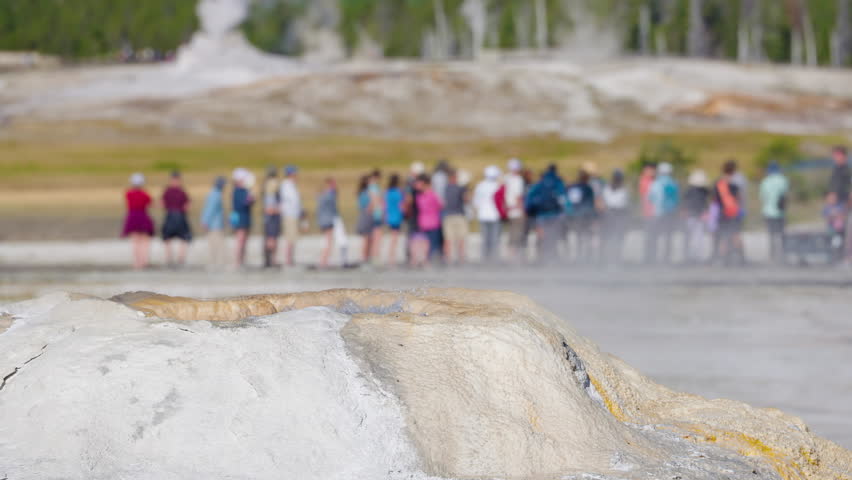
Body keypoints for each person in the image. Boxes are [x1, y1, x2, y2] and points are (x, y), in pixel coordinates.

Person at [525, 165, 566, 262]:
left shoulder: (540, 184)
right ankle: (553, 257)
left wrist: (529, 212)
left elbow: (529, 199)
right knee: (553, 237)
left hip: (541, 215)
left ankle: (541, 257)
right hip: (555, 215)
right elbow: (564, 198)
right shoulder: (557, 182)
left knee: (542, 238)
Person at [646, 162, 680, 264]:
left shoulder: (656, 183)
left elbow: (650, 198)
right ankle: (666, 259)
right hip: (670, 214)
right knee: (668, 237)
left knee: (654, 236)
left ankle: (653, 258)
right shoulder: (674, 184)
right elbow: (677, 200)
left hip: (658, 213)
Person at [714, 160, 745, 266]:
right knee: (736, 235)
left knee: (723, 237)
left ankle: (722, 260)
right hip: (734, 213)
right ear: (733, 170)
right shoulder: (735, 184)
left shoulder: (718, 183)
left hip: (723, 213)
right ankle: (741, 259)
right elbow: (739, 199)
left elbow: (715, 201)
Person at [121, 173, 155, 270]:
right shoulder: (145, 194)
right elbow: (150, 204)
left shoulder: (128, 194)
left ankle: (137, 263)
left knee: (135, 241)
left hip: (132, 217)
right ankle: (144, 261)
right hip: (143, 216)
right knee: (145, 241)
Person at [759, 162, 789, 263]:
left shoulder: (765, 181)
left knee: (771, 235)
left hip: (768, 211)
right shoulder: (783, 180)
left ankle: (772, 255)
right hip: (781, 212)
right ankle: (783, 254)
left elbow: (763, 197)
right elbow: (785, 195)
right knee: (781, 234)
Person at [161, 170, 192, 267]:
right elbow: (188, 205)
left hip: (171, 215)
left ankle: (171, 258)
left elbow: (162, 204)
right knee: (183, 238)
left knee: (168, 238)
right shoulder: (181, 191)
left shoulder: (168, 191)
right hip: (179, 215)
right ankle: (179, 258)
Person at [473, 166, 503, 263]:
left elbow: (476, 202)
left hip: (483, 215)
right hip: (495, 215)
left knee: (485, 239)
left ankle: (484, 259)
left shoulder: (480, 185)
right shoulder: (498, 185)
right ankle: (494, 259)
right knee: (494, 239)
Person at [567, 170, 597, 262]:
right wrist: (594, 218)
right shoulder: (588, 188)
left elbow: (569, 202)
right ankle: (587, 256)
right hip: (585, 216)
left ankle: (579, 256)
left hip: (575, 216)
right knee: (587, 236)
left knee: (578, 236)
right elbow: (591, 204)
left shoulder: (572, 187)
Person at [413, 176, 444, 267]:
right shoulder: (432, 195)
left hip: (423, 221)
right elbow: (440, 205)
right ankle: (427, 260)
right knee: (431, 243)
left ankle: (423, 260)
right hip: (433, 222)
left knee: (424, 242)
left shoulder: (419, 196)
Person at [601, 169, 630, 264]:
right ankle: (610, 260)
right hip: (612, 216)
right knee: (612, 239)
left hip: (615, 216)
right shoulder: (611, 189)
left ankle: (614, 260)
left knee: (616, 239)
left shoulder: (621, 190)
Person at [443, 169, 470, 265]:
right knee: (460, 239)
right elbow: (466, 200)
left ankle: (448, 260)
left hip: (447, 216)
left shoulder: (445, 188)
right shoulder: (460, 188)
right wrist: (466, 188)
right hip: (459, 216)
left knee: (448, 239)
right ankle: (461, 259)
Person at [683, 170, 710, 264]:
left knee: (691, 237)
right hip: (697, 216)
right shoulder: (704, 191)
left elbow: (685, 203)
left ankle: (690, 255)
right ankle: (694, 255)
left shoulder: (689, 190)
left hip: (692, 216)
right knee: (697, 237)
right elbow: (705, 204)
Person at [200, 176, 227, 269]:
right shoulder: (215, 195)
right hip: (214, 225)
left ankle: (217, 263)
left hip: (216, 224)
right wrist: (205, 222)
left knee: (216, 244)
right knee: (216, 245)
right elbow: (210, 210)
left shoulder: (215, 194)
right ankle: (216, 263)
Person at [231, 168, 255, 268]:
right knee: (240, 239)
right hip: (239, 217)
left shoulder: (244, 190)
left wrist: (251, 199)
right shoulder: (237, 190)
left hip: (245, 216)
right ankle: (237, 261)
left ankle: (242, 260)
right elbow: (241, 204)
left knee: (244, 240)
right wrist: (249, 200)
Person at [505, 158, 527, 262]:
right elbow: (518, 197)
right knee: (517, 235)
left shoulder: (506, 178)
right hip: (516, 211)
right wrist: (522, 210)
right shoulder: (518, 179)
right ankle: (515, 258)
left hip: (508, 211)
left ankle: (510, 256)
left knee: (511, 234)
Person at [279, 166, 302, 267]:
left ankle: (290, 259)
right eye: (295, 173)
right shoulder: (286, 185)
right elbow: (292, 201)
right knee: (290, 238)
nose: (296, 175)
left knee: (293, 238)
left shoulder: (291, 185)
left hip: (294, 214)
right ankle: (288, 260)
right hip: (289, 215)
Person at [261, 167, 281, 268]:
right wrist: (275, 210)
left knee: (270, 238)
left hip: (269, 216)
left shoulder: (266, 185)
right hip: (271, 216)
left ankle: (269, 259)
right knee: (271, 238)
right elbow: (269, 205)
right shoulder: (271, 185)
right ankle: (271, 260)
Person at [316, 178, 339, 268]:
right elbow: (333, 209)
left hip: (323, 219)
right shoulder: (329, 195)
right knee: (329, 241)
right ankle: (324, 261)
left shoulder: (322, 195)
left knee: (327, 240)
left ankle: (324, 260)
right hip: (328, 220)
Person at [638, 162, 657, 264]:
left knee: (653, 236)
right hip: (648, 212)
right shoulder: (644, 181)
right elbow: (643, 197)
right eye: (650, 170)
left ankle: (651, 257)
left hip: (655, 212)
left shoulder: (653, 181)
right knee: (649, 236)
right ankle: (648, 257)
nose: (653, 172)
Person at [384, 174, 405, 266]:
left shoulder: (388, 192)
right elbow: (401, 205)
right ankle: (391, 258)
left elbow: (385, 205)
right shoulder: (397, 192)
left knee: (393, 237)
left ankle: (391, 257)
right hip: (396, 216)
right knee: (394, 238)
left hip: (390, 216)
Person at [356, 175, 376, 263]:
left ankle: (367, 257)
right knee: (366, 239)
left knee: (369, 239)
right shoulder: (365, 193)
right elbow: (369, 206)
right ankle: (364, 257)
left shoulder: (362, 192)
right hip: (366, 216)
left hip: (366, 216)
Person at [367, 170, 385, 262]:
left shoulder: (372, 186)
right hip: (377, 213)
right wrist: (381, 210)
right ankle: (375, 256)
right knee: (377, 236)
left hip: (375, 212)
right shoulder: (373, 187)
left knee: (375, 235)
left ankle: (374, 255)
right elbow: (375, 200)